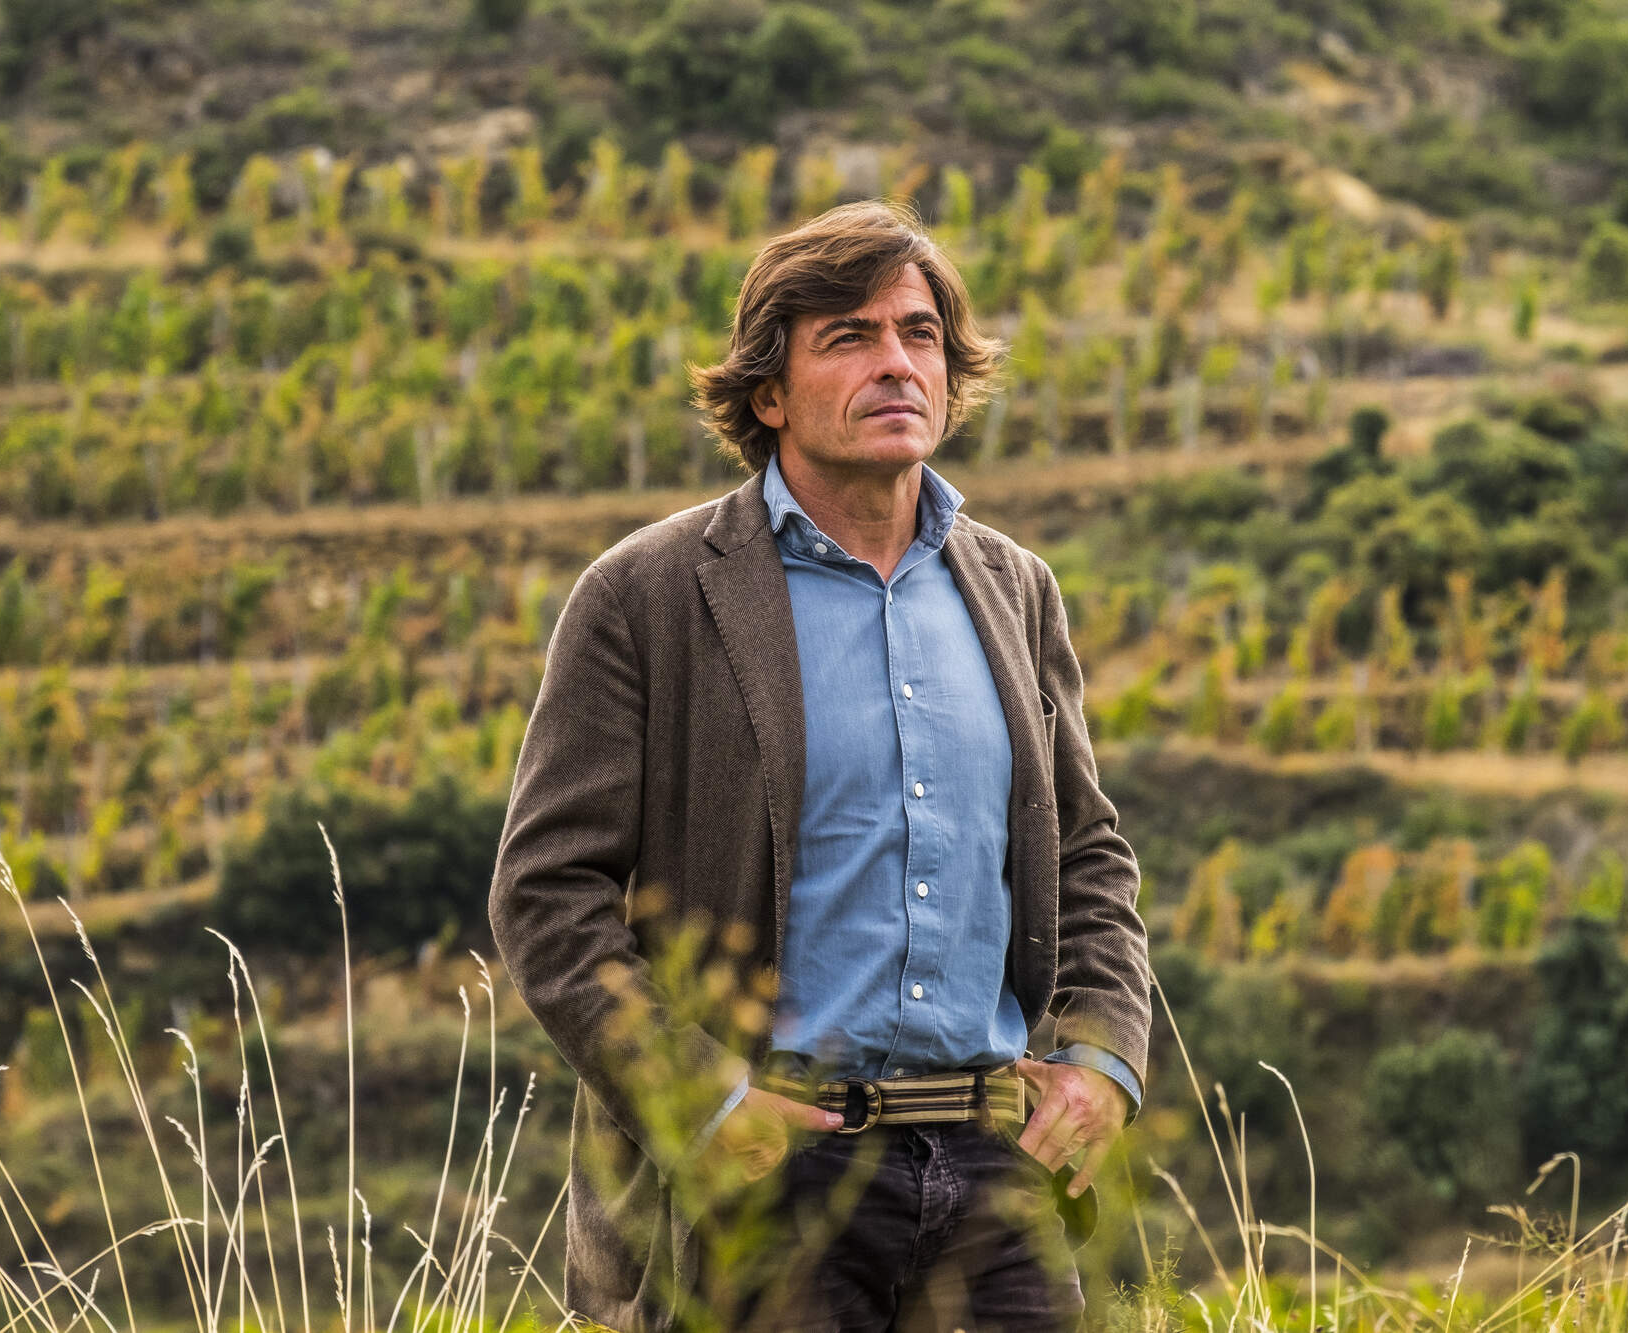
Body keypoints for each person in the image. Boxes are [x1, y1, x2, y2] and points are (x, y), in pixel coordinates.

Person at [488, 198, 1151, 1333]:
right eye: (849, 336)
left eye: (918, 333)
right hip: (765, 1173)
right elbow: (547, 896)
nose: (896, 363)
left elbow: (1086, 852)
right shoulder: (645, 596)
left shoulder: (1014, 589)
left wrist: (1100, 1059)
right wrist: (695, 1099)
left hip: (996, 1174)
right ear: (768, 393)